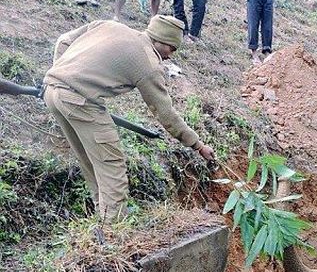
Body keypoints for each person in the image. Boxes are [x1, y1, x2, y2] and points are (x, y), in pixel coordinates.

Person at [43, 15, 214, 222]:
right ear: (160, 40)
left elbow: (64, 40)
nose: (171, 55)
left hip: (52, 92)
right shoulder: (148, 63)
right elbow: (165, 113)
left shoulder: (109, 25)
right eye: (172, 47)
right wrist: (197, 145)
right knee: (111, 164)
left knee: (90, 160)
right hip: (81, 103)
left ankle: (103, 217)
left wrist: (59, 75)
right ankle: (114, 230)